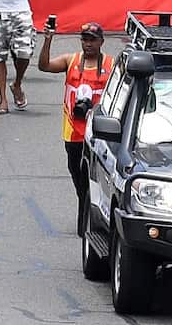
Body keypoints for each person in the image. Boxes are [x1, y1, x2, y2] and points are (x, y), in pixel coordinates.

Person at [37, 19, 111, 232]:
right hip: (74, 133)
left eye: (92, 40)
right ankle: (86, 215)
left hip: (99, 133)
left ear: (101, 42)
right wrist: (47, 40)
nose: (88, 44)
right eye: (84, 40)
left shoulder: (110, 65)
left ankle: (86, 223)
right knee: (78, 178)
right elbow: (44, 66)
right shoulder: (71, 60)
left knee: (93, 179)